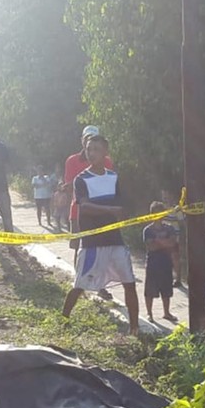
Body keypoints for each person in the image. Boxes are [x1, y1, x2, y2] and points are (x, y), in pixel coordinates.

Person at [61, 136, 139, 334]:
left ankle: (135, 328)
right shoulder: (81, 179)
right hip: (92, 243)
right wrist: (111, 211)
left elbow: (122, 204)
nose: (91, 153)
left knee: (129, 282)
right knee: (79, 285)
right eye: (89, 149)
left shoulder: (114, 177)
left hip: (115, 241)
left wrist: (123, 212)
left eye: (96, 149)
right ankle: (63, 320)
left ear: (105, 152)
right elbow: (84, 207)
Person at [63, 125, 114, 298]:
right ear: (82, 141)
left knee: (101, 249)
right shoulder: (72, 160)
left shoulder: (107, 161)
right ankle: (80, 284)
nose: (89, 143)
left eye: (94, 139)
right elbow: (69, 185)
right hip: (79, 211)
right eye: (87, 139)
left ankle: (101, 286)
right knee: (80, 249)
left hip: (100, 213)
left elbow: (111, 185)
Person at [143, 201, 177, 323]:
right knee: (150, 290)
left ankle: (166, 313)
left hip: (166, 262)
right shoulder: (147, 230)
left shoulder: (170, 228)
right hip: (153, 263)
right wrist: (165, 242)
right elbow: (151, 247)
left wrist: (158, 241)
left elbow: (172, 244)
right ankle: (149, 313)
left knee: (166, 289)